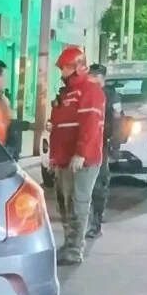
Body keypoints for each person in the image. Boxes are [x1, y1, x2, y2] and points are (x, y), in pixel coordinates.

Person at [48, 46, 106, 265]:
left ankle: (75, 248)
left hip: (83, 160)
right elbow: (59, 128)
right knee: (65, 203)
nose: (61, 72)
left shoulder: (89, 91)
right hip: (64, 158)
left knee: (78, 202)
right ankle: (69, 244)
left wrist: (80, 154)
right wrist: (55, 157)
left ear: (77, 67)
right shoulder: (66, 94)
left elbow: (90, 125)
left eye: (64, 67)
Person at [86, 63, 118, 238]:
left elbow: (118, 123)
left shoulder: (110, 96)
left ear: (101, 78)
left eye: (94, 76)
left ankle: (96, 223)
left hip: (102, 145)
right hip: (88, 144)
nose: (90, 79)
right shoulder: (87, 93)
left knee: (99, 184)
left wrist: (114, 144)